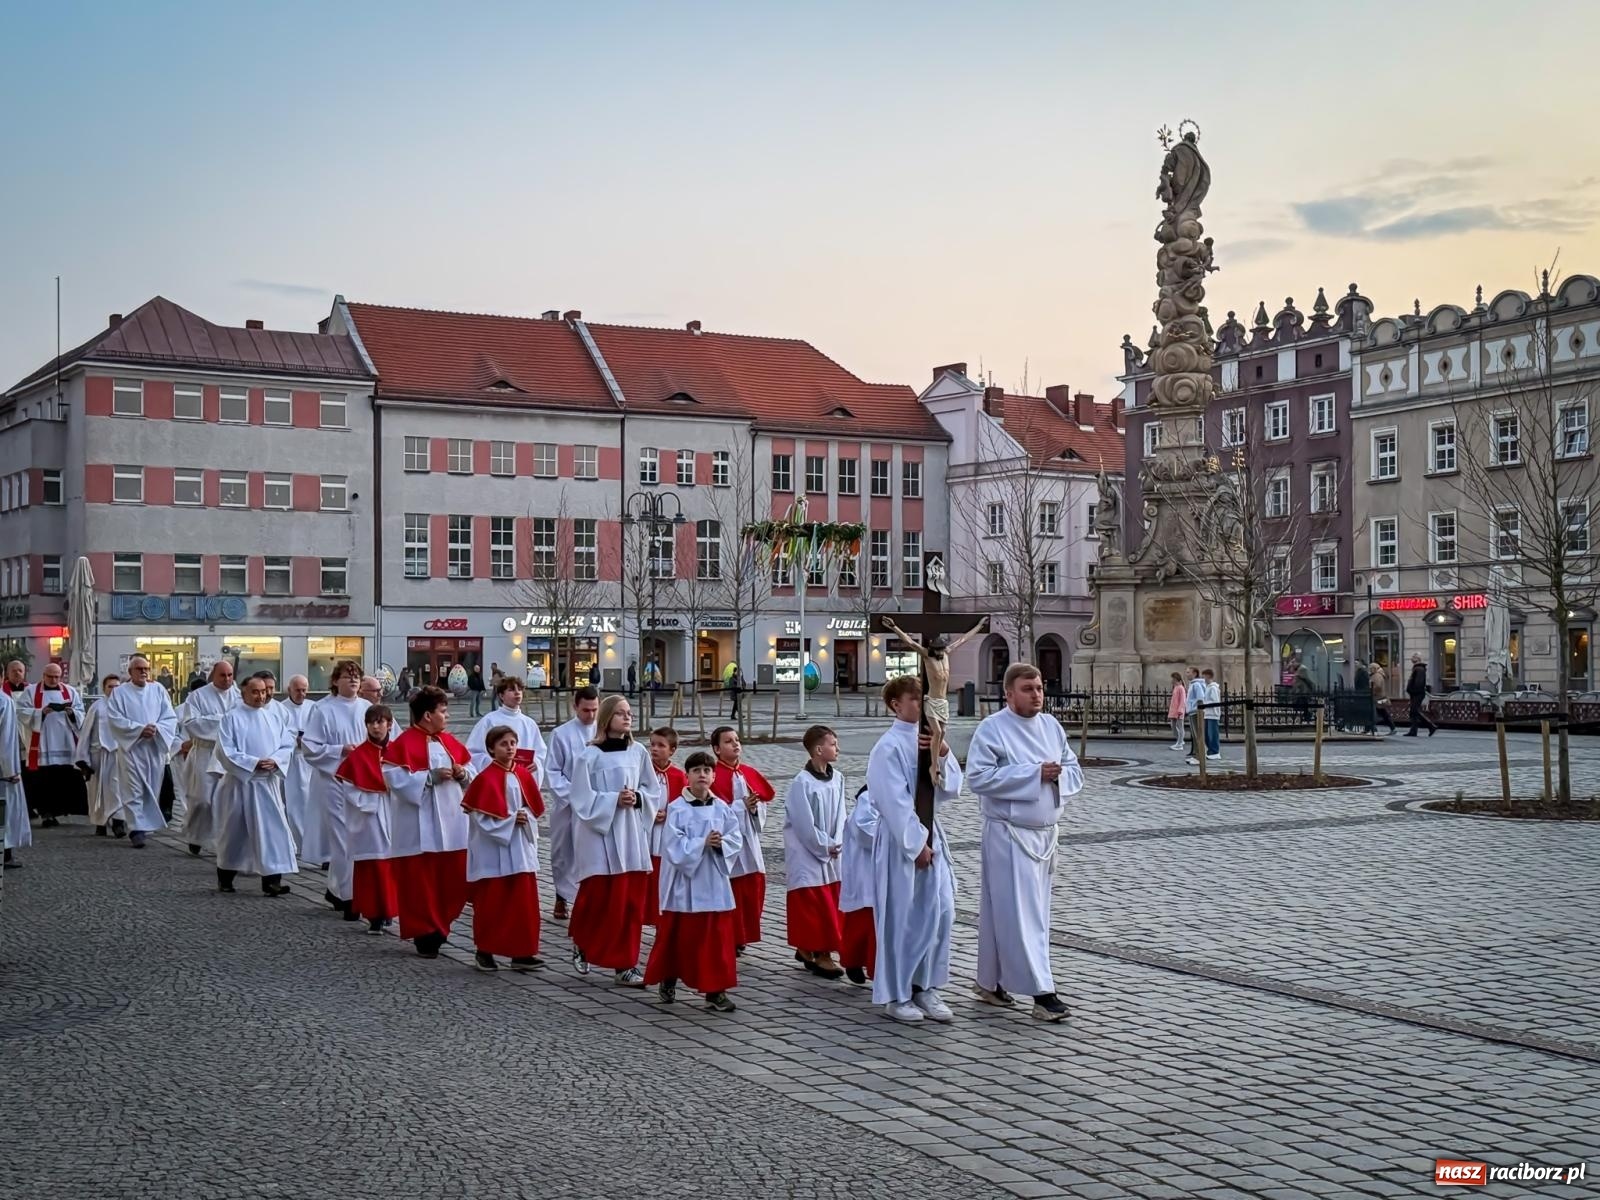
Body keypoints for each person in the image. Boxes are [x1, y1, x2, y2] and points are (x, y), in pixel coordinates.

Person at [967, 662, 1084, 1022]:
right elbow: (978, 777)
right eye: (1028, 688)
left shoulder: (1051, 725)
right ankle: (1041, 992)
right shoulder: (992, 729)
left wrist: (1057, 776)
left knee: (1013, 913)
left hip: (1044, 836)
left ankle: (990, 982)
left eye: (1040, 687)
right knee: (1021, 915)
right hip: (1009, 834)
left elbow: (1073, 768)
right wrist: (1033, 774)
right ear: (1009, 693)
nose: (1037, 694)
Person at [867, 676, 964, 1024]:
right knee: (902, 917)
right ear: (896, 704)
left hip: (930, 832)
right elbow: (892, 800)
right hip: (901, 841)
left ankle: (927, 985)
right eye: (914, 698)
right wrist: (915, 843)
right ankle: (897, 993)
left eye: (924, 698)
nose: (921, 704)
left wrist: (943, 752)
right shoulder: (888, 747)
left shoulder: (929, 740)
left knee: (941, 912)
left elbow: (950, 789)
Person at [568, 695, 661, 985]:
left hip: (630, 833)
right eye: (621, 713)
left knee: (630, 902)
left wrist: (638, 799)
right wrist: (612, 801)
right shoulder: (590, 756)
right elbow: (581, 799)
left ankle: (626, 964)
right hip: (601, 835)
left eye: (629, 713)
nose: (627, 718)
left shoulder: (638, 752)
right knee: (598, 898)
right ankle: (583, 943)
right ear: (607, 718)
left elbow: (652, 788)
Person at [644, 750, 742, 1012]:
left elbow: (735, 837)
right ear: (687, 776)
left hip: (714, 882)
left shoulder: (723, 808)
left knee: (716, 941)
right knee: (679, 938)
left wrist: (723, 845)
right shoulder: (677, 808)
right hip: (685, 886)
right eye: (697, 770)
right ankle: (669, 976)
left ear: (713, 776)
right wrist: (701, 843)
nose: (702, 775)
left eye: (707, 770)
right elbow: (673, 845)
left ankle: (715, 990)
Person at [382, 686, 474, 958]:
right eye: (442, 711)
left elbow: (473, 772)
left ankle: (441, 923)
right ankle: (425, 932)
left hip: (453, 823)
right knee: (420, 884)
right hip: (419, 827)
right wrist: (428, 777)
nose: (446, 716)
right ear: (426, 715)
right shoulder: (404, 744)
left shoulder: (448, 741)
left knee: (453, 881)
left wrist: (462, 774)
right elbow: (392, 777)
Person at [461, 725, 545, 973]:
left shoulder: (522, 774)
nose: (510, 748)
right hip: (493, 851)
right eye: (503, 744)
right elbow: (480, 817)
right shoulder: (485, 779)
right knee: (493, 902)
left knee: (523, 903)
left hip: (519, 847)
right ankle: (484, 950)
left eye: (512, 743)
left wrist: (523, 818)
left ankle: (522, 952)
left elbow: (533, 809)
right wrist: (510, 821)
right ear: (491, 749)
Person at [210, 672, 297, 896]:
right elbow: (225, 751)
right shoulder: (232, 718)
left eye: (264, 692)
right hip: (241, 784)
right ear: (244, 693)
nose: (261, 696)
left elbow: (287, 744)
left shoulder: (273, 717)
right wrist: (252, 763)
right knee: (234, 833)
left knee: (273, 832)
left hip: (267, 784)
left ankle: (272, 880)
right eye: (255, 692)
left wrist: (275, 760)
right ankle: (226, 876)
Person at [881, 617, 985, 789]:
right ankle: (933, 766)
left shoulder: (946, 654)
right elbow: (910, 642)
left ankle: (936, 762)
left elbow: (963, 639)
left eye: (942, 649)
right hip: (932, 700)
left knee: (942, 733)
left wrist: (979, 626)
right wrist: (894, 627)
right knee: (936, 732)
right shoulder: (927, 657)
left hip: (943, 702)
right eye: (938, 649)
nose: (940, 652)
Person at [301, 661, 371, 915]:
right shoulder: (323, 710)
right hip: (334, 781)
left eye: (356, 676)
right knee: (343, 839)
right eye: (347, 676)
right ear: (334, 682)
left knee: (359, 837)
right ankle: (347, 895)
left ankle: (335, 888)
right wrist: (339, 750)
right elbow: (309, 747)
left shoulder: (368, 709)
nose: (353, 680)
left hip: (363, 782)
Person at [784, 725, 847, 980]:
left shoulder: (839, 778)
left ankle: (808, 947)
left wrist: (839, 841)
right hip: (808, 852)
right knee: (814, 906)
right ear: (818, 749)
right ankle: (822, 954)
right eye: (833, 743)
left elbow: (842, 813)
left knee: (832, 902)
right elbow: (803, 823)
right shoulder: (802, 783)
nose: (838, 748)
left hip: (833, 851)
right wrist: (824, 845)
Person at [102, 657, 181, 849]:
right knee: (133, 788)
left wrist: (158, 728)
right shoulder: (120, 693)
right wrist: (138, 730)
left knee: (151, 788)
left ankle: (144, 824)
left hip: (153, 748)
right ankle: (136, 829)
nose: (144, 672)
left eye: (146, 668)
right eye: (139, 669)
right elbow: (114, 719)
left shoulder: (158, 690)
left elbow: (169, 716)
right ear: (130, 672)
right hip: (132, 749)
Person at [709, 725, 775, 953]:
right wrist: (741, 806)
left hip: (750, 841)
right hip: (729, 843)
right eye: (728, 741)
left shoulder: (748, 772)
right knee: (733, 888)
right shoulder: (714, 775)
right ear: (717, 749)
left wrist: (756, 809)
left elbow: (763, 801)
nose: (735, 744)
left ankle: (744, 934)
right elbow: (714, 810)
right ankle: (730, 935)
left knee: (752, 886)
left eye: (737, 740)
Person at [338, 704, 401, 934]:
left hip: (394, 815)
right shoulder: (358, 756)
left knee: (393, 866)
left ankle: (389, 911)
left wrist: (396, 790)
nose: (376, 726)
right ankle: (374, 915)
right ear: (366, 725)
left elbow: (409, 780)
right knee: (373, 866)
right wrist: (374, 795)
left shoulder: (398, 752)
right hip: (370, 818)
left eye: (380, 721)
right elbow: (350, 789)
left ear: (390, 724)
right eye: (371, 722)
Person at [543, 686, 599, 921]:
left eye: (595, 709)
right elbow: (553, 771)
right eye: (586, 710)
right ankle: (561, 895)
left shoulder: (604, 731)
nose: (591, 715)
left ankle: (589, 900)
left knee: (592, 854)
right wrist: (574, 796)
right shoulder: (561, 734)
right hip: (569, 805)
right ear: (575, 706)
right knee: (564, 852)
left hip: (598, 805)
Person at [177, 661, 238, 856]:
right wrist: (224, 721)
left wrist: (219, 721)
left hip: (228, 754)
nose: (227, 679)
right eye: (223, 675)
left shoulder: (239, 696)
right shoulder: (198, 696)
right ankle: (195, 835)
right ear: (213, 675)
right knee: (203, 799)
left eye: (230, 675)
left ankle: (221, 840)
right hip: (205, 752)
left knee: (225, 800)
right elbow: (192, 723)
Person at [23, 661, 86, 828]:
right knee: (43, 780)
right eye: (50, 676)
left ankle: (58, 811)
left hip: (65, 742)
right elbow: (21, 712)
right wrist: (40, 713)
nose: (53, 680)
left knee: (61, 779)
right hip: (43, 743)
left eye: (57, 677)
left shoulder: (70, 691)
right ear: (43, 676)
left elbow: (81, 712)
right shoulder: (30, 691)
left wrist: (73, 713)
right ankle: (45, 813)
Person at [645, 726, 686, 929]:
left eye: (661, 745)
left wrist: (669, 814)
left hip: (667, 834)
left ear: (672, 750)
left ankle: (662, 918)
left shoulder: (678, 776)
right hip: (646, 832)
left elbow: (685, 806)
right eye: (652, 744)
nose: (654, 749)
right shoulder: (643, 771)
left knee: (663, 874)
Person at [466, 678, 547, 779]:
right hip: (497, 777)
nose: (517, 693)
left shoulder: (529, 723)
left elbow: (541, 752)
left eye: (520, 689)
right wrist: (495, 762)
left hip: (523, 777)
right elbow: (473, 752)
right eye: (511, 690)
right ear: (501, 695)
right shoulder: (489, 721)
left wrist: (537, 762)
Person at [838, 784, 877, 987]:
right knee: (863, 923)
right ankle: (854, 961)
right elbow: (864, 830)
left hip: (888, 870)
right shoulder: (868, 798)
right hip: (867, 873)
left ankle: (877, 968)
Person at [76, 674, 123, 837]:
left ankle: (118, 822)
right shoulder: (96, 707)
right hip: (98, 753)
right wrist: (83, 759)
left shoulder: (125, 706)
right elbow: (85, 733)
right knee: (97, 790)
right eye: (110, 686)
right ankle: (99, 822)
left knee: (117, 789)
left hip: (118, 754)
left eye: (117, 687)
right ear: (104, 688)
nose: (114, 690)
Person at [276, 675, 316, 859]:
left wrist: (307, 740)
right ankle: (291, 842)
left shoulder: (313, 708)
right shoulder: (281, 708)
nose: (301, 694)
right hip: (289, 759)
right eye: (298, 690)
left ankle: (304, 843)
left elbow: (318, 730)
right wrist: (294, 740)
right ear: (289, 689)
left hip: (307, 760)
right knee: (288, 803)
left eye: (304, 690)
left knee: (305, 802)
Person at [0, 687, 21, 871]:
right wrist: (10, 770)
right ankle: (5, 855)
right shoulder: (4, 701)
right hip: (2, 772)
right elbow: (6, 739)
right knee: (5, 813)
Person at [1405, 655, 1438, 736]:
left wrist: (1412, 690)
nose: (1412, 659)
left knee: (1414, 711)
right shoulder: (1417, 668)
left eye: (1414, 657)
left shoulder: (1419, 669)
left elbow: (1418, 683)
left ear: (1418, 659)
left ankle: (1430, 726)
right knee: (1414, 712)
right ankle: (1414, 730)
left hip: (1417, 693)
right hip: (1416, 693)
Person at [1370, 660, 1395, 734]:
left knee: (1379, 713)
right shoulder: (1377, 675)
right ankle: (1392, 727)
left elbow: (1378, 686)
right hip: (1380, 697)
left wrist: (1372, 690)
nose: (1370, 670)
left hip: (1378, 697)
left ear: (1374, 668)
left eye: (1371, 668)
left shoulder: (1377, 676)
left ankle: (1373, 728)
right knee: (1382, 713)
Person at [1203, 668, 1222, 760]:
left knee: (1212, 734)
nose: (1204, 678)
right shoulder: (1208, 687)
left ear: (1208, 676)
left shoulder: (1213, 688)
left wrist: (1204, 703)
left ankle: (1215, 751)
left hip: (1213, 714)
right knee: (1207, 734)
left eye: (1205, 676)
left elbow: (1214, 701)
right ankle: (1210, 750)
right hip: (1207, 713)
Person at [1167, 671, 1187, 751]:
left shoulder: (1181, 688)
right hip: (1173, 711)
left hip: (1178, 711)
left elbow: (1182, 701)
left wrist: (1180, 711)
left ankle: (1180, 743)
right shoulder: (1175, 687)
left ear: (1176, 679)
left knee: (1179, 727)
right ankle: (1179, 741)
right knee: (1173, 726)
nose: (1171, 680)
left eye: (1173, 679)